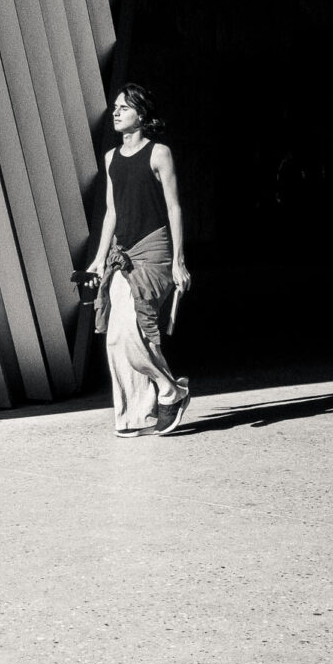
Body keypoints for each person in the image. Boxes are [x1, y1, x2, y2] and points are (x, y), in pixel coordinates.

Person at [84, 84, 192, 437]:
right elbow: (112, 212)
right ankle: (138, 415)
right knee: (116, 339)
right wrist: (99, 258)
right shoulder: (111, 158)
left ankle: (170, 390)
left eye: (124, 108)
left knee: (134, 330)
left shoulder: (159, 153)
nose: (115, 112)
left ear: (141, 115)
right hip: (122, 253)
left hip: (155, 250)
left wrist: (179, 261)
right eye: (115, 107)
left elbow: (174, 208)